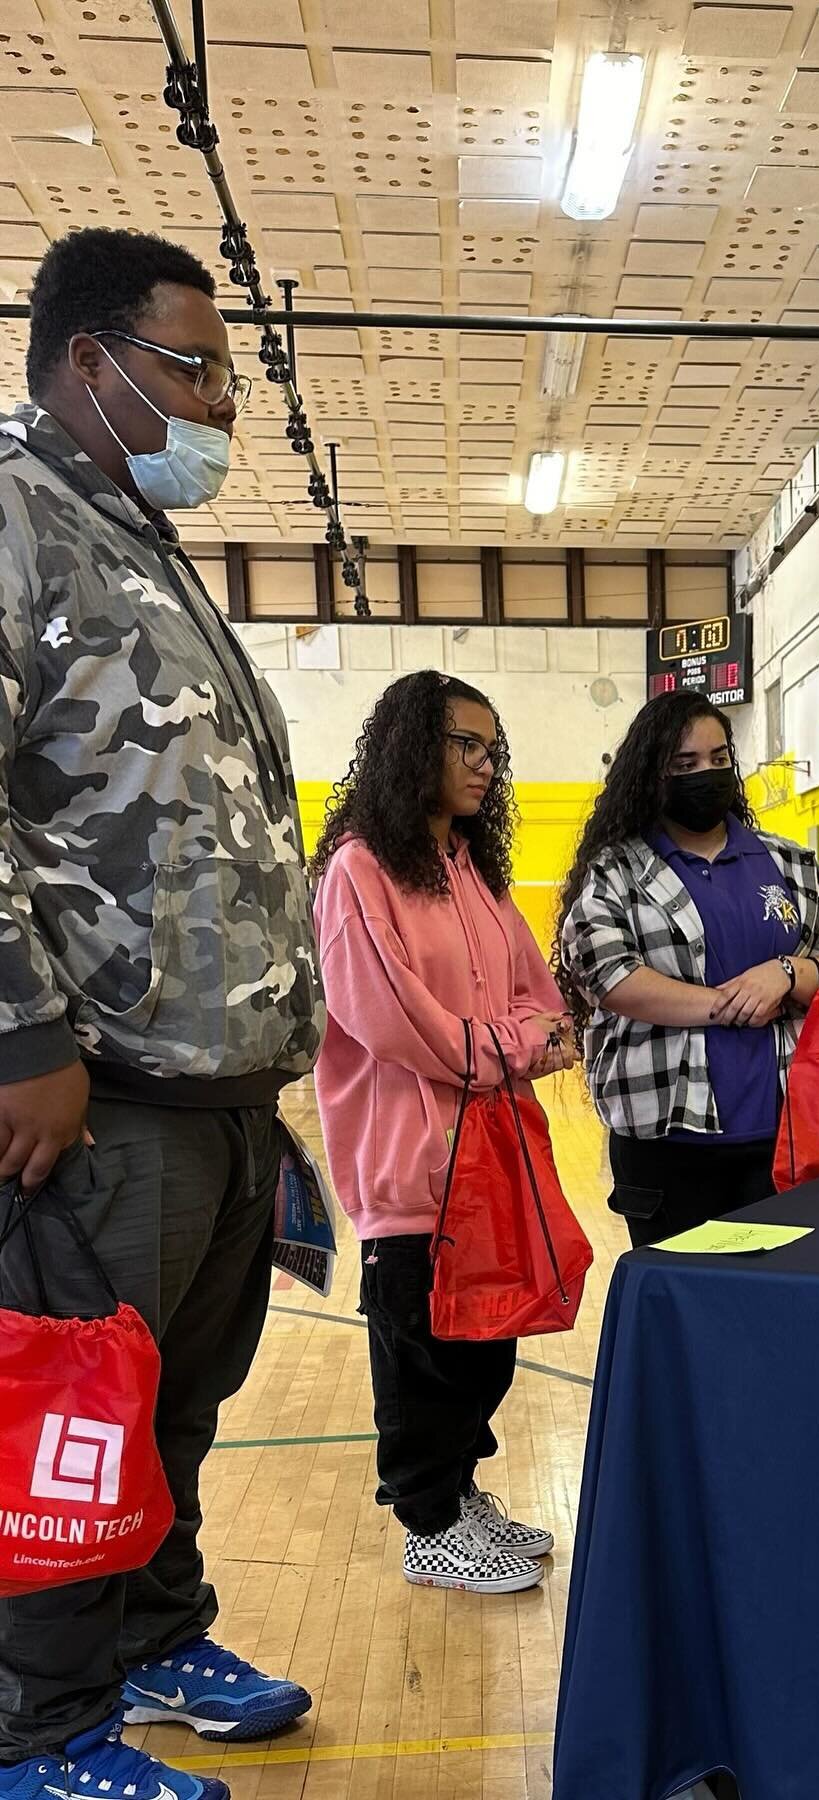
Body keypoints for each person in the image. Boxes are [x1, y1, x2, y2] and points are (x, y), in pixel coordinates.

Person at [0, 230, 321, 1800]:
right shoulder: (12, 513)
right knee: (72, 1426)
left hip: (217, 1091)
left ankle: (151, 1642)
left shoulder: (135, 536)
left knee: (172, 1413)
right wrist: (22, 1041)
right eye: (192, 369)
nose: (220, 404)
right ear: (86, 362)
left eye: (222, 376)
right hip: (98, 1089)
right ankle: (39, 1732)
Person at [310, 673, 573, 1596]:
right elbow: (399, 1025)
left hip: (491, 1159)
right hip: (408, 1169)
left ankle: (458, 1493)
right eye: (466, 744)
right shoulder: (358, 871)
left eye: (493, 750)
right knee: (423, 1356)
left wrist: (512, 1040)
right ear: (409, 746)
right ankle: (429, 1526)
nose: (484, 764)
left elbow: (549, 1007)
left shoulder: (471, 870)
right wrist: (510, 1045)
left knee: (482, 1347)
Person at [556, 691, 819, 1246]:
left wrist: (787, 974)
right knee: (685, 1311)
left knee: (775, 1310)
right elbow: (606, 973)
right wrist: (727, 1005)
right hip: (667, 1142)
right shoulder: (617, 871)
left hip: (787, 1135)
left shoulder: (786, 862)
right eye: (686, 764)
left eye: (719, 758)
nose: (707, 773)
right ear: (652, 775)